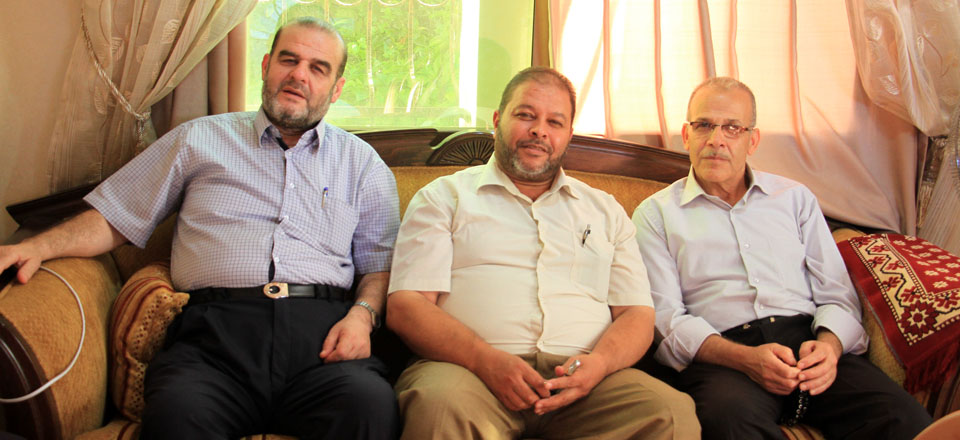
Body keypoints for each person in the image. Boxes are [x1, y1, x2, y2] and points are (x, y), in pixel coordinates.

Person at [0, 18, 400, 440]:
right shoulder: (198, 140)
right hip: (214, 344)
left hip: (323, 343)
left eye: (318, 68)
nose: (299, 75)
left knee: (371, 406)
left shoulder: (363, 165)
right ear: (266, 66)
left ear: (336, 88)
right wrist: (38, 247)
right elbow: (116, 215)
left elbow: (379, 267)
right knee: (176, 415)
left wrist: (362, 316)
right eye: (289, 60)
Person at [386, 67, 699, 440]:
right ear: (498, 121)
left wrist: (599, 364)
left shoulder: (604, 209)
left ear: (569, 135)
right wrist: (483, 360)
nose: (539, 130)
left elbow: (636, 314)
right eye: (526, 115)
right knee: (439, 407)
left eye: (555, 122)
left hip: (588, 384)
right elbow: (407, 305)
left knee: (670, 415)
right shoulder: (444, 198)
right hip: (467, 372)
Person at [631, 76, 932, 439]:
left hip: (807, 342)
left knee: (905, 418)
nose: (716, 140)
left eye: (732, 128)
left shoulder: (794, 199)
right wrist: (745, 359)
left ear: (752, 140)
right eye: (704, 125)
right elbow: (666, 319)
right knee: (727, 421)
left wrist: (829, 348)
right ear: (686, 134)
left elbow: (836, 293)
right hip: (724, 357)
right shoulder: (656, 214)